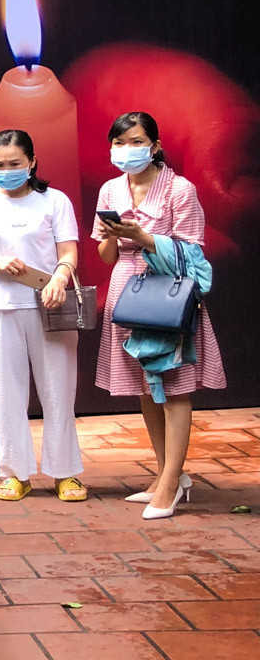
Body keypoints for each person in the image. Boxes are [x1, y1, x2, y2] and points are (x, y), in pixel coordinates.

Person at [95, 111, 225, 519]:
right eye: (119, 143)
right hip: (126, 292)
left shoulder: (179, 189)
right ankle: (165, 471)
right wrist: (113, 236)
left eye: (136, 142)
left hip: (167, 295)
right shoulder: (110, 190)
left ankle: (170, 483)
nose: (126, 150)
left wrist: (144, 237)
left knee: (173, 384)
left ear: (155, 146)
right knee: (143, 383)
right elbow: (106, 255)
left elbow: (192, 251)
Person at [0, 129, 86, 502]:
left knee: (59, 392)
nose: (6, 170)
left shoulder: (54, 201)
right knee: (6, 394)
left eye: (15, 164)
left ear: (32, 163)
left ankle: (65, 473)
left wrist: (60, 278)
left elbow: (68, 252)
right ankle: (15, 473)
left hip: (51, 307)